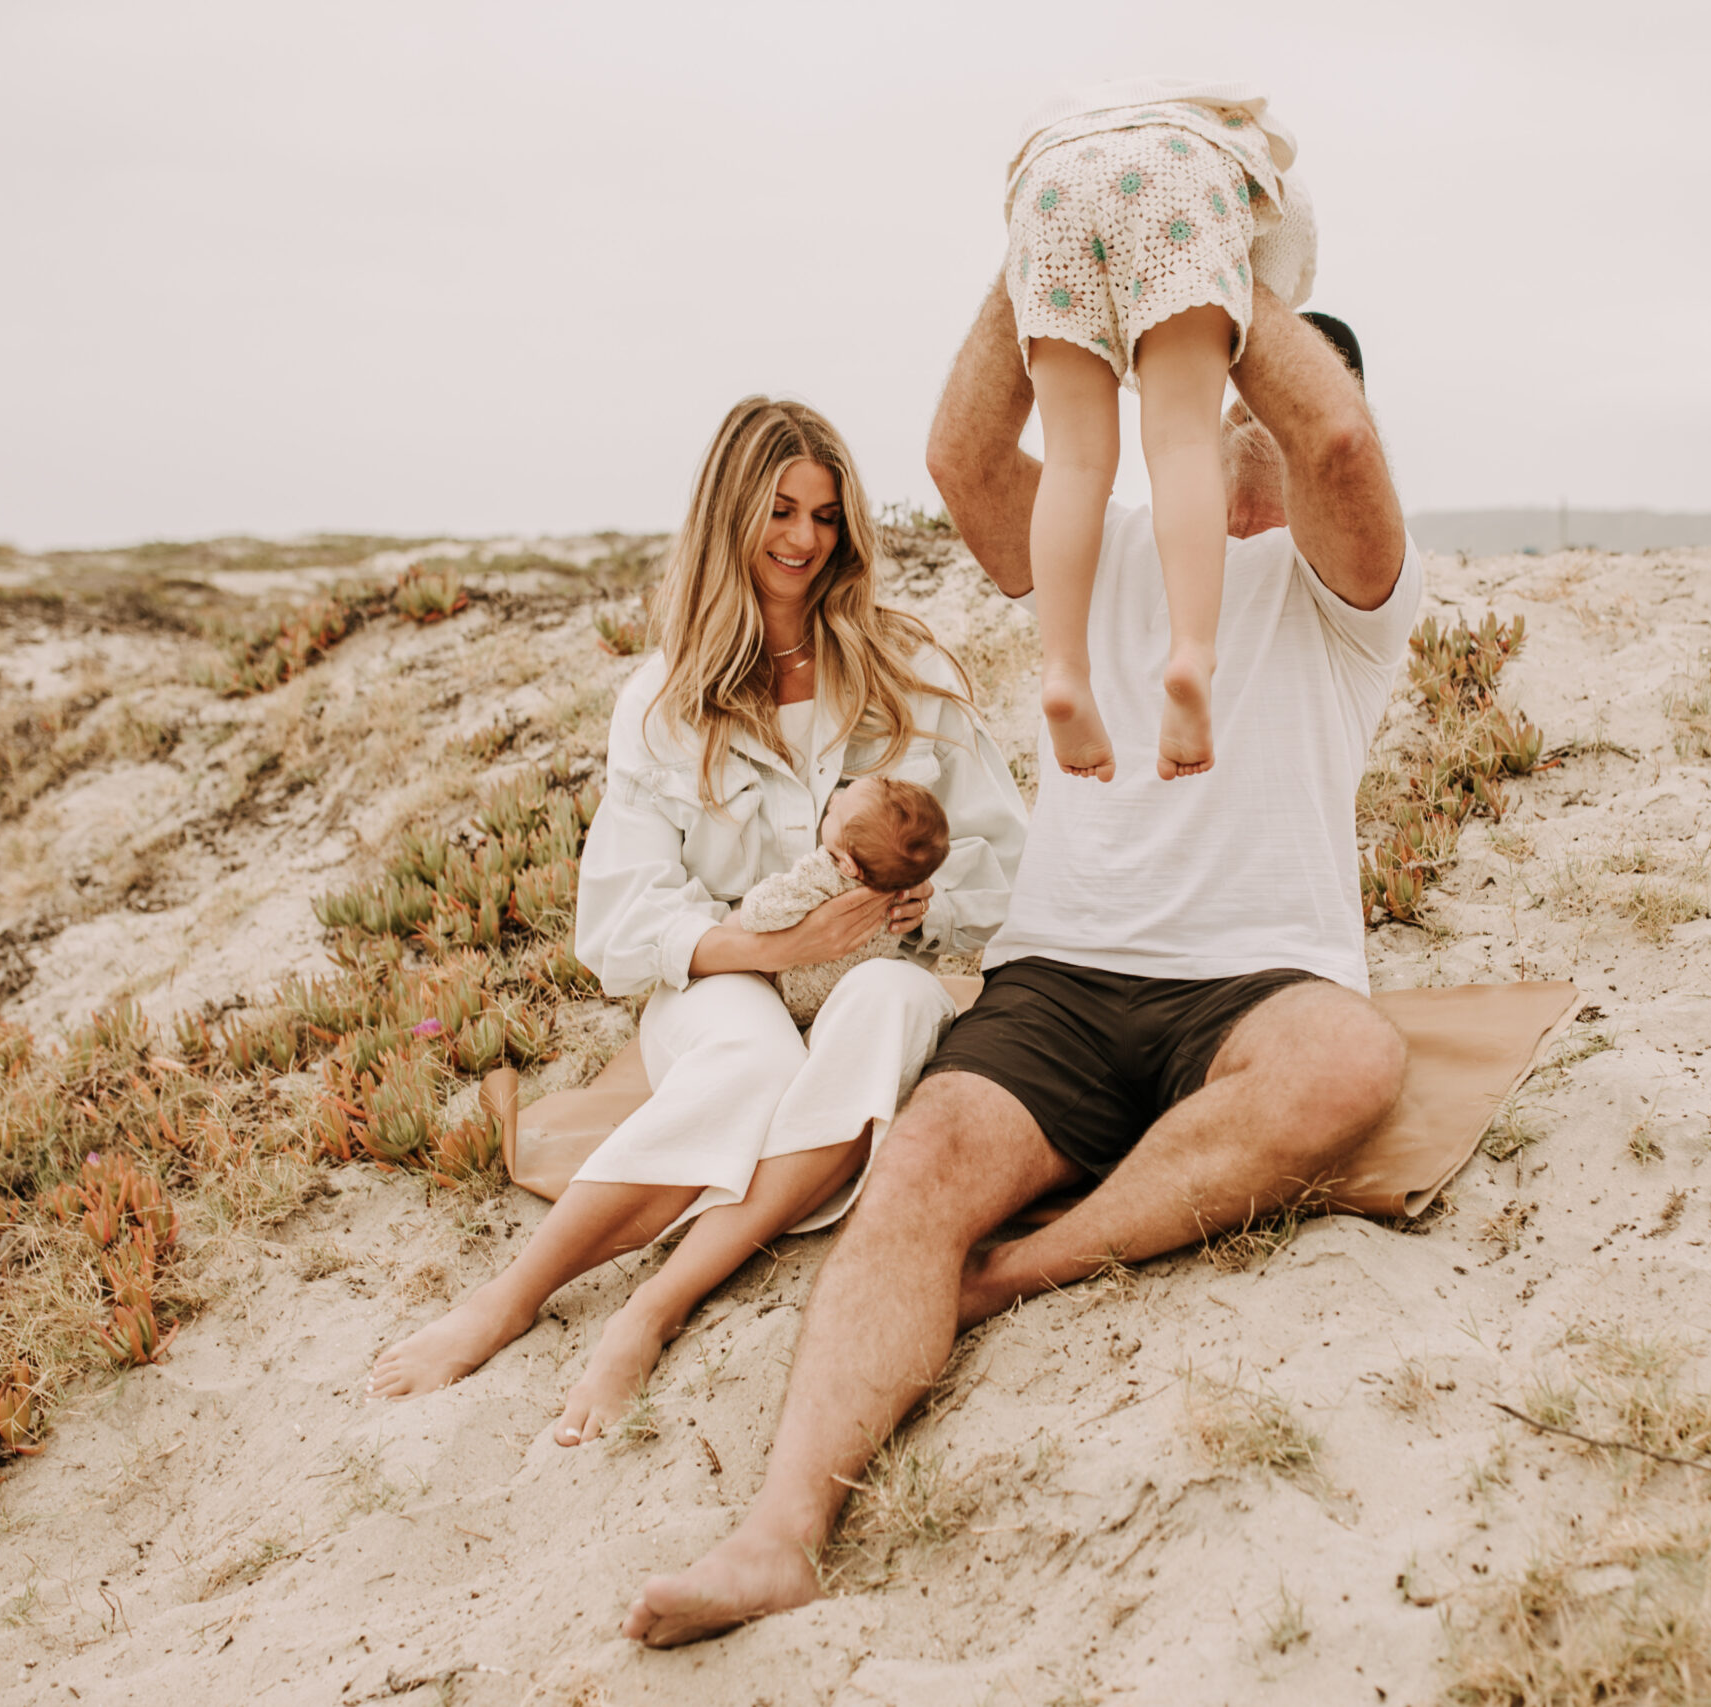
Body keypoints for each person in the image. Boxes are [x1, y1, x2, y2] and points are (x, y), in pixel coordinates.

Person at [621, 283, 1416, 1646]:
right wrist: (1034, 254)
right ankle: (776, 1534)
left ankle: (1016, 1271)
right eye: (1217, 415)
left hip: (1257, 982)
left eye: (1269, 408)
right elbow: (964, 459)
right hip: (1063, 977)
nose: (1251, 438)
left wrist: (1217, 258)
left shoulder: (1352, 587)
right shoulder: (1095, 550)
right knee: (923, 1160)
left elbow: (1336, 444)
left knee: (1350, 1057)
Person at [367, 397, 1029, 1448]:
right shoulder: (663, 700)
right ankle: (511, 1296)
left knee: (894, 1000)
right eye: (778, 510)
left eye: (824, 516)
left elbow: (1009, 852)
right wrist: (771, 949)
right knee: (753, 1061)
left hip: (874, 970)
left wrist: (928, 899)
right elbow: (624, 921)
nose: (803, 540)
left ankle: (652, 1308)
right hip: (726, 979)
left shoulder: (913, 673)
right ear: (728, 516)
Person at [1003, 78, 1316, 783]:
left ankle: (1063, 671)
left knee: (1073, 461)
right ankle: (1191, 652)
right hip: (1178, 183)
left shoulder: (1096, 102)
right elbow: (1285, 242)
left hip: (1047, 184)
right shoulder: (1235, 145)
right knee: (1183, 442)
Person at [733, 775, 951, 1026]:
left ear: (847, 864)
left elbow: (756, 914)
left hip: (794, 994)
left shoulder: (823, 872)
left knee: (734, 924)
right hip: (846, 996)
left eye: (836, 813)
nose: (833, 801)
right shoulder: (899, 884)